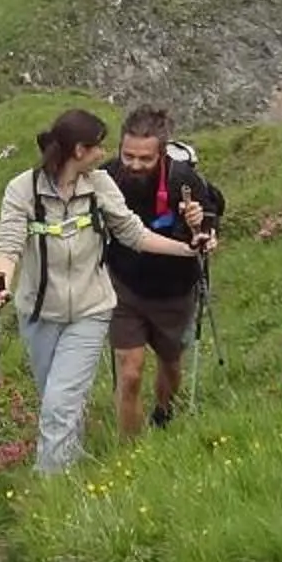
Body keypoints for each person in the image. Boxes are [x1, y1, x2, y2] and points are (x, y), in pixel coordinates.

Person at [0, 108, 214, 475]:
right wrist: (1, 281)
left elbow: (133, 233)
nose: (102, 154)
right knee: (57, 401)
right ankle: (69, 463)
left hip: (92, 311)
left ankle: (52, 484)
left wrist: (188, 249)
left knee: (62, 402)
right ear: (79, 150)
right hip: (39, 312)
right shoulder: (23, 189)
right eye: (97, 146)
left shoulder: (100, 185)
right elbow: (10, 241)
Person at [101, 106, 224, 433]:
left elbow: (212, 216)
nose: (135, 165)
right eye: (128, 156)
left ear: (162, 153)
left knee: (170, 364)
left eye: (145, 159)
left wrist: (204, 232)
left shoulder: (183, 180)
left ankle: (163, 414)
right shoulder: (107, 177)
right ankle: (130, 453)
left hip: (176, 291)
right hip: (123, 287)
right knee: (130, 372)